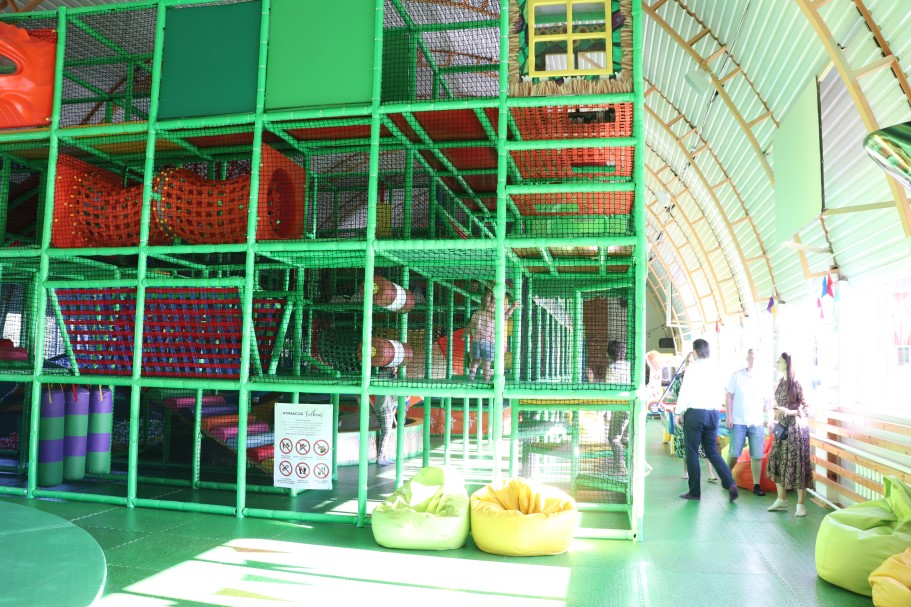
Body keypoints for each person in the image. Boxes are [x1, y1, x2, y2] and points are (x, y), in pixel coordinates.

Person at [674, 339, 738, 502]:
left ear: (695, 352)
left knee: (692, 452)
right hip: (713, 414)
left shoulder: (692, 368)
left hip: (695, 414)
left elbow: (685, 392)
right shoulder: (717, 368)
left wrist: (678, 412)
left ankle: (694, 492)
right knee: (712, 451)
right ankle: (730, 483)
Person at [766, 352, 814, 516]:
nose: (777, 363)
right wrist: (773, 418)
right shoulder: (780, 382)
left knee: (798, 464)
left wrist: (788, 411)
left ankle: (801, 504)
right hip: (782, 427)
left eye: (780, 361)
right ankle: (781, 499)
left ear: (788, 364)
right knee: (776, 459)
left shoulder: (796, 384)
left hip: (796, 429)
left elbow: (806, 408)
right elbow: (777, 405)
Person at [725, 348, 773, 496]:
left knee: (757, 455)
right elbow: (729, 396)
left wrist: (770, 419)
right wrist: (729, 416)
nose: (753, 361)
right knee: (734, 452)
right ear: (746, 359)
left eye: (755, 358)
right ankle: (726, 475)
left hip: (756, 421)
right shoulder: (737, 375)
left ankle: (756, 485)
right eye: (750, 358)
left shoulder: (763, 378)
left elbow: (768, 401)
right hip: (738, 420)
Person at [671, 354, 718, 482]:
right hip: (684, 415)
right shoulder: (679, 379)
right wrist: (679, 413)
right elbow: (677, 396)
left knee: (705, 444)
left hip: (700, 414)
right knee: (686, 444)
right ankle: (686, 471)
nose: (690, 363)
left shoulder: (704, 376)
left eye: (693, 361)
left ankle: (710, 473)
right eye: (688, 361)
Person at [467, 290, 520, 382]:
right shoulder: (493, 314)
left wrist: (465, 333)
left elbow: (470, 325)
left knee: (475, 360)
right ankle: (486, 380)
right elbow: (505, 317)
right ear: (493, 304)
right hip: (488, 343)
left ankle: (471, 376)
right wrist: (512, 307)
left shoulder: (476, 313)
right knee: (486, 364)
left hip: (476, 342)